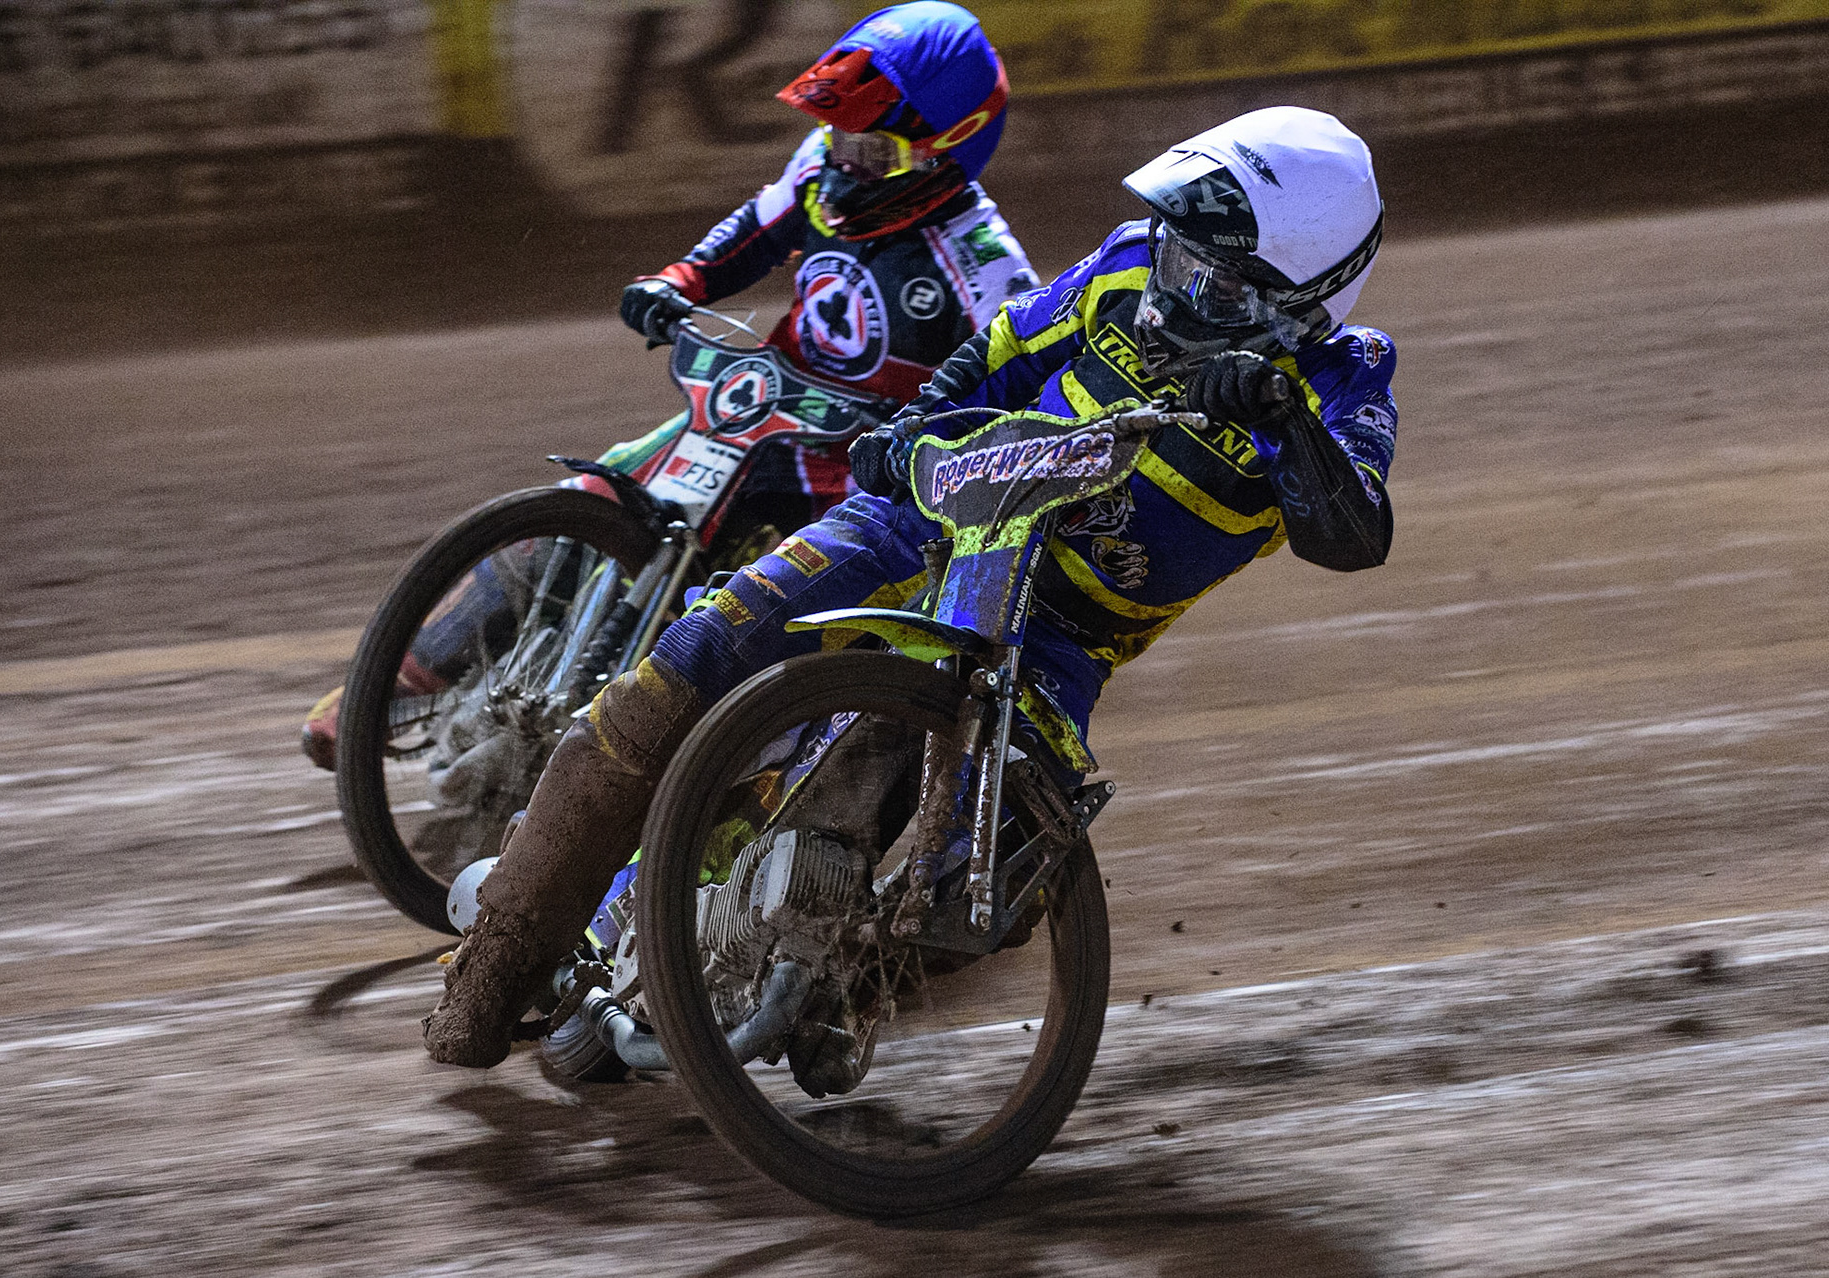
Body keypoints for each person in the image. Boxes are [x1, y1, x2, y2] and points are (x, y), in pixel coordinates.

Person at [424, 105, 1400, 1068]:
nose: (1174, 281)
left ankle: (841, 978)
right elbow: (1003, 349)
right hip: (927, 511)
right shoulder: (1127, 265)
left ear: (1301, 298)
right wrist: (917, 421)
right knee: (678, 677)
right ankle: (496, 959)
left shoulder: (1344, 377)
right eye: (1176, 246)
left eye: (1212, 274)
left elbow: (1355, 535)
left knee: (1007, 871)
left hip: (1056, 635)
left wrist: (1283, 414)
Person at [297, 1, 1036, 769]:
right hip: (759, 413)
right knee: (593, 502)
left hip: (863, 474)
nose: (846, 163)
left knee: (758, 629)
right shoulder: (820, 165)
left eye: (873, 150)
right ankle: (388, 690)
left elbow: (1017, 393)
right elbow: (753, 232)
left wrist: (925, 436)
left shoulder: (986, 266)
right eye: (839, 136)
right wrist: (676, 279)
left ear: (950, 150)